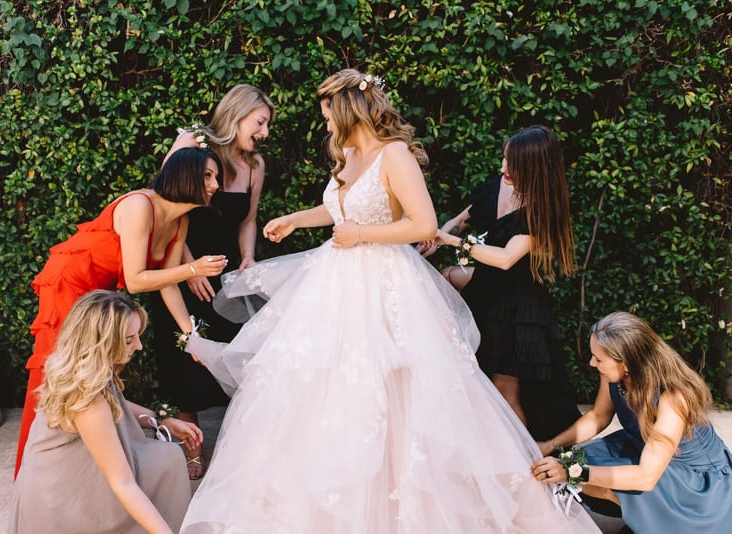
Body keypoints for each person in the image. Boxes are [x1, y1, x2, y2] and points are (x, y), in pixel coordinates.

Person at [178, 69, 599, 533]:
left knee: (394, 389)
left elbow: (423, 224)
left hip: (385, 285)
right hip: (336, 283)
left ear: (346, 110)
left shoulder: (394, 154)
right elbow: (339, 209)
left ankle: (398, 500)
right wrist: (296, 219)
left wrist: (361, 233)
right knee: (326, 387)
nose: (326, 124)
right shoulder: (348, 154)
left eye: (327, 114)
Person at [15, 146, 228, 477]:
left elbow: (167, 284)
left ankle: (87, 466)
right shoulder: (139, 206)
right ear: (184, 175)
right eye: (207, 176)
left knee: (95, 374)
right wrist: (194, 269)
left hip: (99, 294)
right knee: (57, 370)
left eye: (216, 177)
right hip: (69, 284)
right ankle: (34, 470)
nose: (216, 185)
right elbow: (136, 281)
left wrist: (192, 338)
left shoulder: (180, 221)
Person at [421, 125, 582, 441]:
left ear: (533, 168)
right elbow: (465, 216)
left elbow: (506, 259)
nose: (503, 168)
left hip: (515, 307)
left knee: (504, 391)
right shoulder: (498, 185)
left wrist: (451, 241)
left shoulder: (540, 210)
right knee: (446, 278)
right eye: (505, 159)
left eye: (512, 163)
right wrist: (438, 234)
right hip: (487, 289)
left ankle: (520, 461)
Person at [150, 85, 274, 479]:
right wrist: (188, 267)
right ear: (238, 113)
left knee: (236, 353)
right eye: (260, 122)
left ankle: (240, 446)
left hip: (225, 272)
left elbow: (248, 219)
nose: (265, 132)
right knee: (185, 358)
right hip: (181, 263)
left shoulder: (255, 165)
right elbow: (163, 207)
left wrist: (248, 256)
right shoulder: (193, 144)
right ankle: (191, 447)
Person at [9, 290, 202, 534]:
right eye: (129, 340)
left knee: (167, 457)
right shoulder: (88, 399)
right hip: (63, 498)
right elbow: (123, 483)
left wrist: (161, 420)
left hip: (66, 471)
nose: (139, 346)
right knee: (163, 464)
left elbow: (117, 403)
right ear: (102, 342)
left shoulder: (86, 365)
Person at [531, 311, 732, 533]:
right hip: (644, 447)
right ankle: (642, 517)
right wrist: (550, 445)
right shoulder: (614, 374)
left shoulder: (674, 397)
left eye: (598, 359)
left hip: (691, 478)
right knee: (576, 459)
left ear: (626, 362)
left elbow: (646, 477)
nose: (591, 363)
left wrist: (572, 472)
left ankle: (657, 521)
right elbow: (598, 416)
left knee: (590, 474)